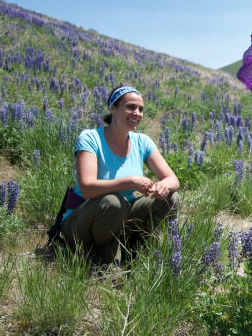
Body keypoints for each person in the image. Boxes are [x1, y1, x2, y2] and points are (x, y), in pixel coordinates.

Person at [61, 85, 180, 264]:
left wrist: (163, 186)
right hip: (82, 224)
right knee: (113, 202)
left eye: (141, 109)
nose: (137, 113)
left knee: (171, 198)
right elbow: (87, 188)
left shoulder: (142, 141)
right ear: (113, 109)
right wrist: (130, 182)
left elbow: (173, 180)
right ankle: (105, 263)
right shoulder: (90, 138)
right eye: (131, 107)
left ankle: (136, 252)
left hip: (120, 218)